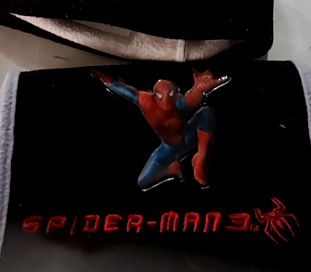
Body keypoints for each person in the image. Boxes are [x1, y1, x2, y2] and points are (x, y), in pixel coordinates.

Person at [91, 68, 230, 189]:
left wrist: (198, 89)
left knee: (206, 112)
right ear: (154, 96)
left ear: (175, 94)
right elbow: (122, 89)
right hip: (170, 148)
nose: (166, 101)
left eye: (170, 95)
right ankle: (173, 169)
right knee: (143, 180)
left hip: (190, 137)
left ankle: (200, 158)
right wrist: (102, 75)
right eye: (160, 96)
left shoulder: (178, 104)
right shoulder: (145, 102)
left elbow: (190, 100)